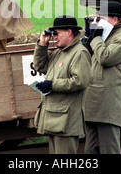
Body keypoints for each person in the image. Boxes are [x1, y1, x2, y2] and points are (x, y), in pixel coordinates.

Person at [82, 1, 121, 154]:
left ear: (115, 19)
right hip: (94, 102)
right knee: (91, 150)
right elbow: (87, 56)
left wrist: (96, 38)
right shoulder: (105, 35)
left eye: (101, 18)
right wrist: (88, 37)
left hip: (109, 105)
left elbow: (106, 58)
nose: (98, 22)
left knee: (109, 149)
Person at [33, 15, 91, 154]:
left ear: (69, 32)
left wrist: (52, 85)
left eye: (57, 33)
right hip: (55, 120)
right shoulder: (59, 53)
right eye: (52, 34)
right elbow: (40, 66)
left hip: (66, 122)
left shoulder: (79, 53)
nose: (54, 37)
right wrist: (42, 44)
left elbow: (80, 81)